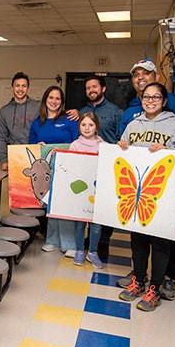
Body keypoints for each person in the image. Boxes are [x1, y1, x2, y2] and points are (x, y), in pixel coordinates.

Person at [116, 60, 175, 298]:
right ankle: (139, 279)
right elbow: (122, 153)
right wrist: (122, 147)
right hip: (137, 191)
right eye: (147, 98)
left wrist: (170, 153)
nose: (150, 101)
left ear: (164, 100)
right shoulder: (132, 121)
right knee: (137, 238)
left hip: (166, 191)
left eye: (156, 98)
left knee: (162, 239)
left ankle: (158, 285)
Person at [29, 85, 79, 256]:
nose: (54, 101)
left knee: (65, 207)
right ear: (45, 100)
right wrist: (38, 146)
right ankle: (51, 240)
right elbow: (32, 146)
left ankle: (68, 244)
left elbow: (77, 143)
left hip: (67, 168)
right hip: (46, 172)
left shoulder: (70, 120)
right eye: (51, 97)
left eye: (58, 98)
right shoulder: (37, 123)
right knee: (50, 206)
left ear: (62, 102)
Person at [79, 75, 123, 260]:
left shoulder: (115, 112)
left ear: (103, 89)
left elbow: (122, 138)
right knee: (86, 204)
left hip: (107, 167)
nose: (91, 90)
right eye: (88, 87)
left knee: (104, 207)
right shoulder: (81, 111)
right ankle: (89, 241)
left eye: (94, 87)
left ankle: (103, 242)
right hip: (85, 168)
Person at [68, 112, 105, 269]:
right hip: (80, 191)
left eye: (91, 124)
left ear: (96, 126)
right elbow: (70, 166)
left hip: (98, 191)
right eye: (83, 125)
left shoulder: (103, 145)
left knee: (96, 225)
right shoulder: (75, 145)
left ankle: (93, 252)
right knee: (79, 224)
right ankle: (79, 250)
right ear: (79, 127)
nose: (87, 128)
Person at [0, 72, 39, 171]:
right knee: (15, 186)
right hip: (13, 156)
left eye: (24, 86)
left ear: (28, 88)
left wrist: (75, 113)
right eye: (17, 86)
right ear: (12, 88)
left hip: (34, 155)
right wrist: (3, 160)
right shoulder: (4, 111)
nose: (20, 89)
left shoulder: (37, 107)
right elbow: (1, 138)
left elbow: (54, 114)